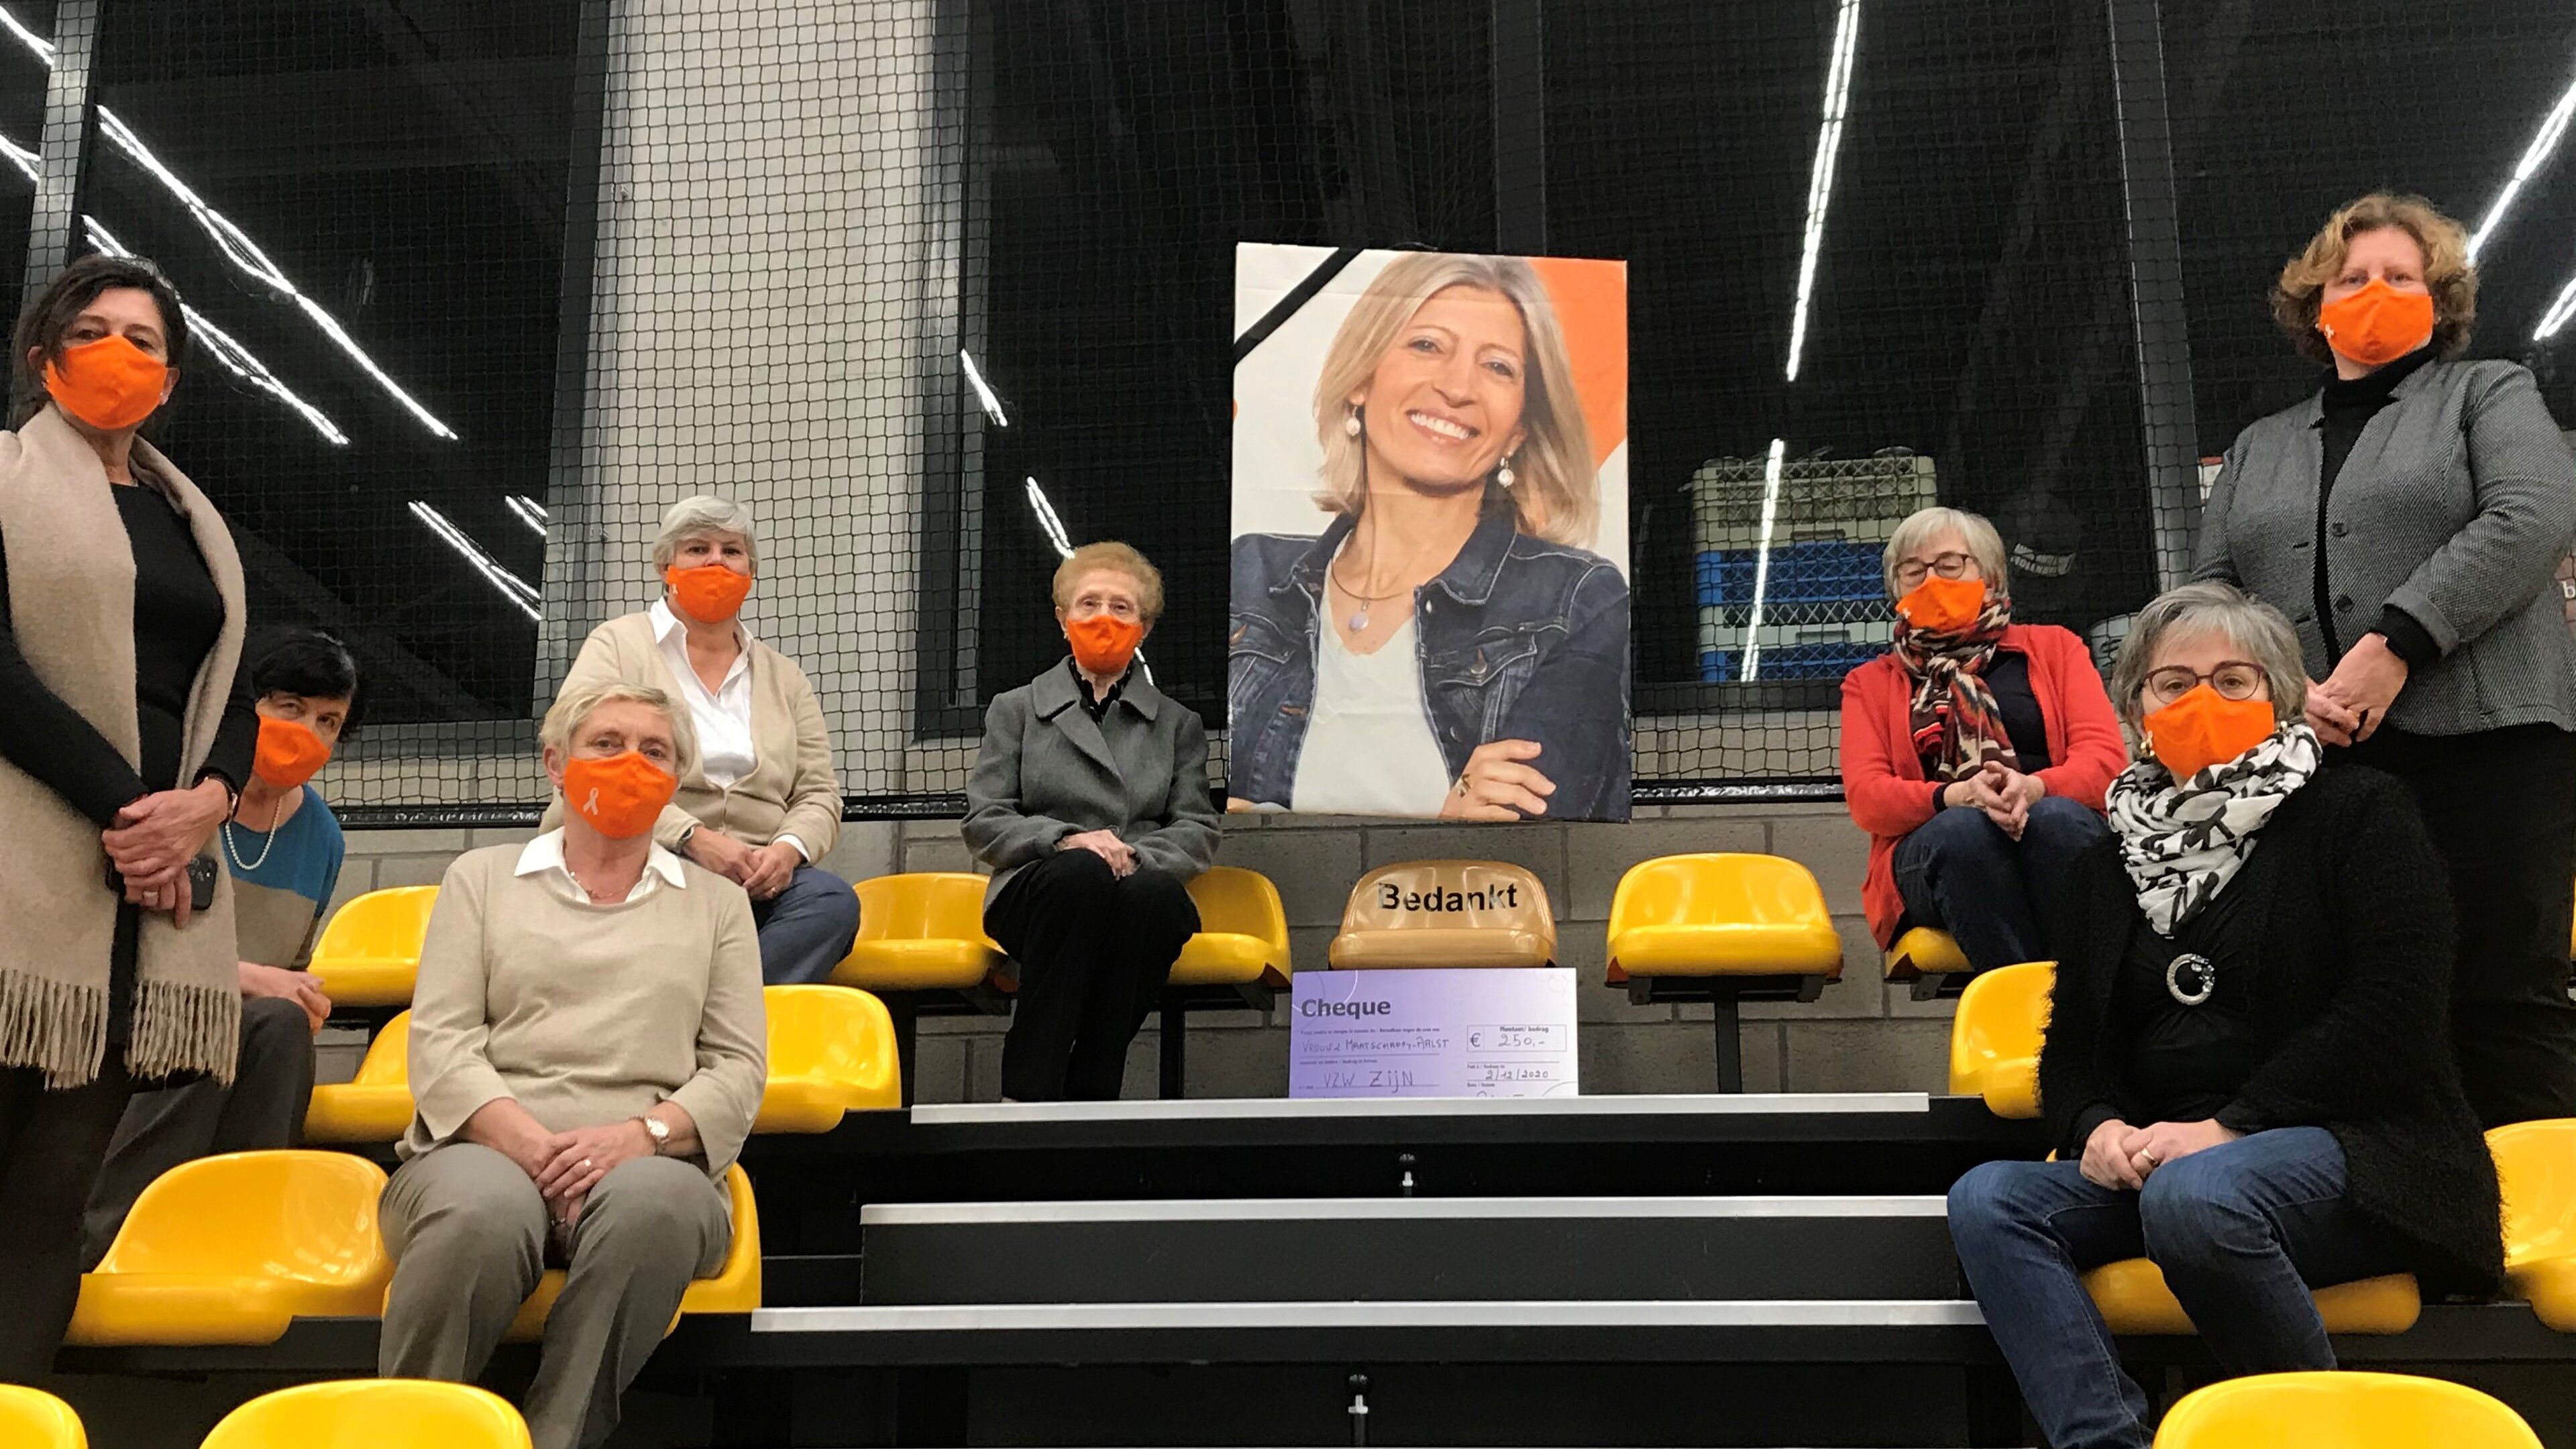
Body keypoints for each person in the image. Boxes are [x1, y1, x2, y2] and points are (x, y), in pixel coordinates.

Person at [1947, 582, 2504, 1449]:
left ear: (2279, 697)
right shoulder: (2103, 866)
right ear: (2137, 708)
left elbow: (2393, 1016)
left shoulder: (2361, 814)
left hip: (2359, 1151)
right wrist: (2095, 1126)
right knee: (1990, 1199)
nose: (2201, 700)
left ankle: (2314, 1440)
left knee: (2198, 1196)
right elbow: (2072, 1053)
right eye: (2173, 684)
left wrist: (2230, 1127)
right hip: (2169, 1162)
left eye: (2233, 680)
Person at [2196, 191, 2576, 1128]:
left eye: (2401, 278)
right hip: (2318, 759)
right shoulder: (2258, 446)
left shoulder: (2488, 393)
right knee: (2352, 998)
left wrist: (2398, 643)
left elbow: (2531, 517)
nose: (2375, 292)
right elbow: (2212, 592)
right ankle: (2392, 1201)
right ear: (2315, 305)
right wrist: (2281, 689)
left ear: (2438, 301)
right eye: (2353, 278)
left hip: (2488, 745)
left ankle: (2532, 1213)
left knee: (2501, 995)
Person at [380, 681, 765, 1449]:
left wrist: (640, 1138)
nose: (631, 763)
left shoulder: (719, 905)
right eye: (606, 744)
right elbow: (444, 1044)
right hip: (482, 1152)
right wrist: (535, 1151)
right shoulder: (479, 879)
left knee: (656, 1209)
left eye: (654, 751)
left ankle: (559, 1437)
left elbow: (737, 1067)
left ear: (676, 779)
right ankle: (410, 1433)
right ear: (557, 763)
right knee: (479, 1214)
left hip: (649, 1161)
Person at [0, 254, 254, 1380]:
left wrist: (208, 802)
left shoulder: (190, 518)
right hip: (27, 867)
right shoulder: (3, 479)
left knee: (53, 1196)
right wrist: (135, 814)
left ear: (172, 376)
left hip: (141, 900)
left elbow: (234, 684)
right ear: (42, 357)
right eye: (92, 331)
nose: (119, 354)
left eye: (144, 341)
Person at [1230, 252, 1631, 821]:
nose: (1457, 387)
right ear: (1361, 380)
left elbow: (1527, 826)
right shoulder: (1248, 573)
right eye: (1427, 346)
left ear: (1519, 429)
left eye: (1498, 367)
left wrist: (1265, 821)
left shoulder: (1578, 600)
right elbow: (1189, 794)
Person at [80, 629, 358, 1264]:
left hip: (242, 1045)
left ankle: (240, 1242)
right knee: (243, 1024)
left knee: (280, 1027)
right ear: (244, 708)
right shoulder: (174, 795)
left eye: (329, 722)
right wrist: (244, 979)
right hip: (136, 1026)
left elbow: (291, 973)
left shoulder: (323, 838)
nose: (307, 732)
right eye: (290, 707)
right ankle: (102, 1243)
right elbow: (117, 949)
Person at [554, 495, 859, 985]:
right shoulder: (616, 647)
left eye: (732, 551)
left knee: (831, 902)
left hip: (756, 877)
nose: (716, 562)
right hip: (645, 855)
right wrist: (693, 838)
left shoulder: (786, 678)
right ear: (666, 567)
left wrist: (785, 852)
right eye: (698, 549)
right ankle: (721, 1009)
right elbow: (584, 762)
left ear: (750, 572)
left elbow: (819, 793)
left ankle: (709, 1007)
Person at [965, 542, 1220, 1101]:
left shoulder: (1178, 724)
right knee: (1079, 876)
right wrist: (1066, 840)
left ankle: (1092, 1085)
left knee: (1155, 897)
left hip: (1134, 888)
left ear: (1144, 627)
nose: (1104, 618)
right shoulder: (1015, 709)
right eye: (1089, 604)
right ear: (1063, 619)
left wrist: (1134, 856)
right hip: (1038, 888)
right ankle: (1028, 1090)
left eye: (1121, 608)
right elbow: (985, 819)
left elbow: (1197, 828)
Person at [1840, 507, 2125, 974]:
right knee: (1965, 830)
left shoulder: (2057, 648)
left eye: (1950, 565)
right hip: (1938, 857)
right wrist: (1956, 796)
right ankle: (2030, 1003)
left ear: (1990, 576)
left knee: (2055, 820)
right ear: (1897, 590)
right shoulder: (1868, 683)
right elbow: (1869, 799)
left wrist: (2033, 788)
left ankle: (2073, 994)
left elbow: (2105, 763)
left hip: (2055, 832)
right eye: (1913, 571)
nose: (1932, 580)